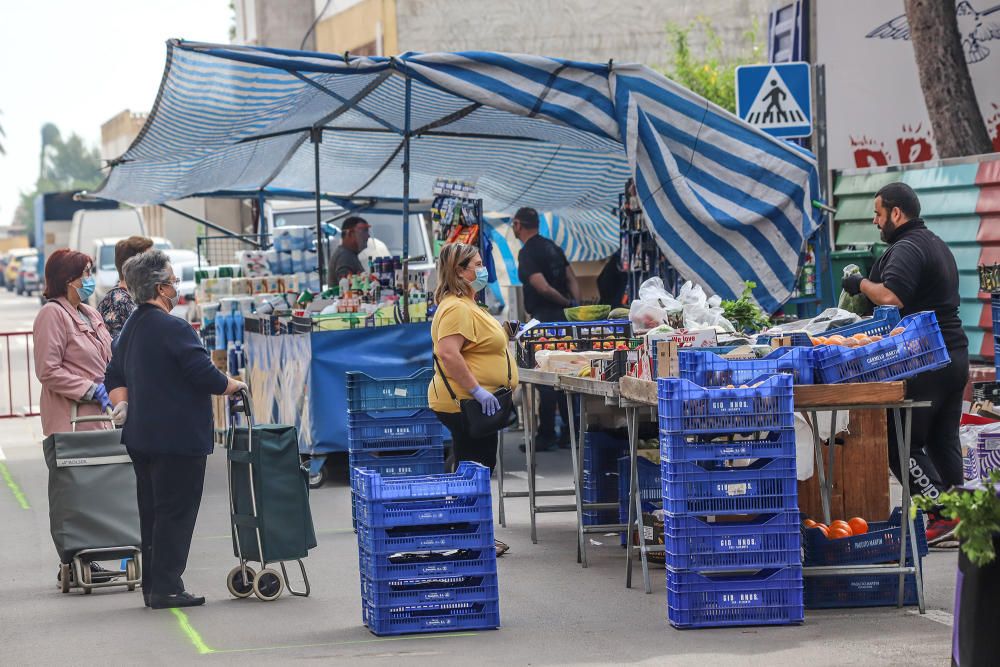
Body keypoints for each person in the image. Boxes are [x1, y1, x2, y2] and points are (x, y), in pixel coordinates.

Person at [105, 250, 247, 609]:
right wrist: (234, 385)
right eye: (172, 282)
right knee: (175, 513)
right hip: (177, 438)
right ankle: (167, 587)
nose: (176, 287)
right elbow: (204, 374)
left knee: (152, 511)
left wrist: (121, 403)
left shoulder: (131, 326)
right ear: (158, 287)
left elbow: (114, 374)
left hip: (141, 435)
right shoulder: (174, 327)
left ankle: (153, 585)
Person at [841, 182, 968, 544]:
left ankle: (940, 513)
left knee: (900, 443)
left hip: (927, 359)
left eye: (878, 214)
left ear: (897, 213)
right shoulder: (936, 243)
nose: (875, 221)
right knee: (942, 440)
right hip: (954, 355)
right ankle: (957, 516)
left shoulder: (908, 248)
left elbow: (893, 297)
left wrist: (860, 283)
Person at [33, 248, 120, 582]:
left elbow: (107, 358)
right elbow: (48, 369)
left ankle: (93, 558)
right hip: (69, 420)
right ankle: (72, 562)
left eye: (90, 272)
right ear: (67, 280)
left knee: (97, 494)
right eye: (85, 273)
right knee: (73, 495)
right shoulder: (52, 315)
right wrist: (89, 389)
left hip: (99, 418)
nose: (89, 279)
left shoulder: (90, 314)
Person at [428, 243, 519, 556]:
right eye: (477, 265)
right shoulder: (455, 307)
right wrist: (477, 390)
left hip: (478, 401)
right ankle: (468, 537)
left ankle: (471, 533)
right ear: (459, 271)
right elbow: (447, 352)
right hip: (465, 402)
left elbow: (477, 344)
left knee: (476, 466)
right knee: (474, 468)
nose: (483, 270)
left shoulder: (469, 304)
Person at [513, 207, 580, 450]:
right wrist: (574, 306)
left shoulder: (527, 253)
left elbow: (540, 286)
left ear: (518, 225)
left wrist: (562, 302)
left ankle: (547, 434)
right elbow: (572, 277)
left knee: (546, 376)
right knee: (566, 374)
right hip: (565, 319)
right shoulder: (553, 247)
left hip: (545, 319)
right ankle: (569, 433)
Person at [97, 235, 154, 342]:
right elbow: (117, 351)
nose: (156, 268)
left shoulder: (132, 297)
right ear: (135, 267)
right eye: (151, 262)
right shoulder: (118, 303)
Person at [327, 216, 371, 284]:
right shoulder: (344, 256)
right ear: (350, 234)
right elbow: (347, 288)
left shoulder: (349, 254)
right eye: (364, 231)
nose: (368, 236)